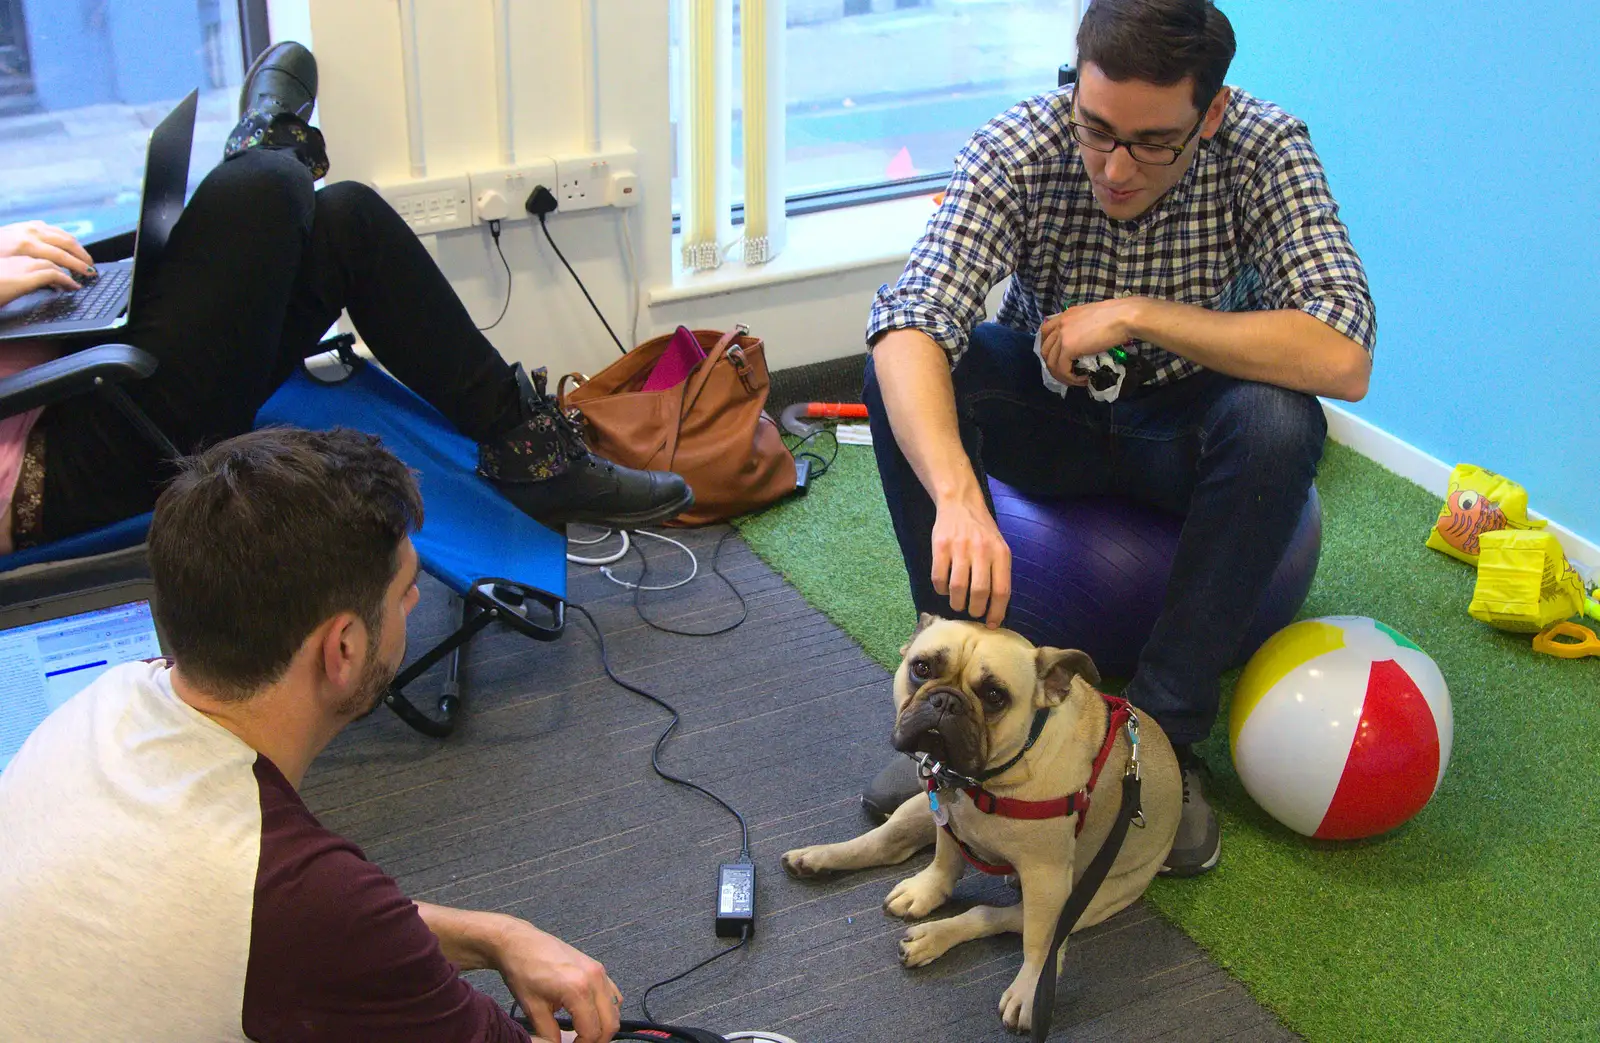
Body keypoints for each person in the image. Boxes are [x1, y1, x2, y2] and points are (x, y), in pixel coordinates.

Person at [860, 0, 1375, 876]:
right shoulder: (1021, 144)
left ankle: (1163, 739)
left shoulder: (1266, 146)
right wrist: (955, 493)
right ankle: (952, 707)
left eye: (1153, 142)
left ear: (1210, 114)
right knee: (905, 363)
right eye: (1096, 129)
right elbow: (911, 317)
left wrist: (1139, 315)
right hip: (1054, 420)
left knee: (1281, 417)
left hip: (1188, 430)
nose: (1116, 167)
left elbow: (1343, 349)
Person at [0, 426, 617, 1043]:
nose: (416, 602)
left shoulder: (103, 701)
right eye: (404, 593)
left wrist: (495, 936)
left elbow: (287, 929)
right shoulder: (300, 892)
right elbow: (316, 922)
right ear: (343, 648)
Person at [0, 41, 690, 557]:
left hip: (70, 379)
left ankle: (539, 460)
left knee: (346, 221)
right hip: (61, 459)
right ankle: (269, 143)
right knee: (263, 190)